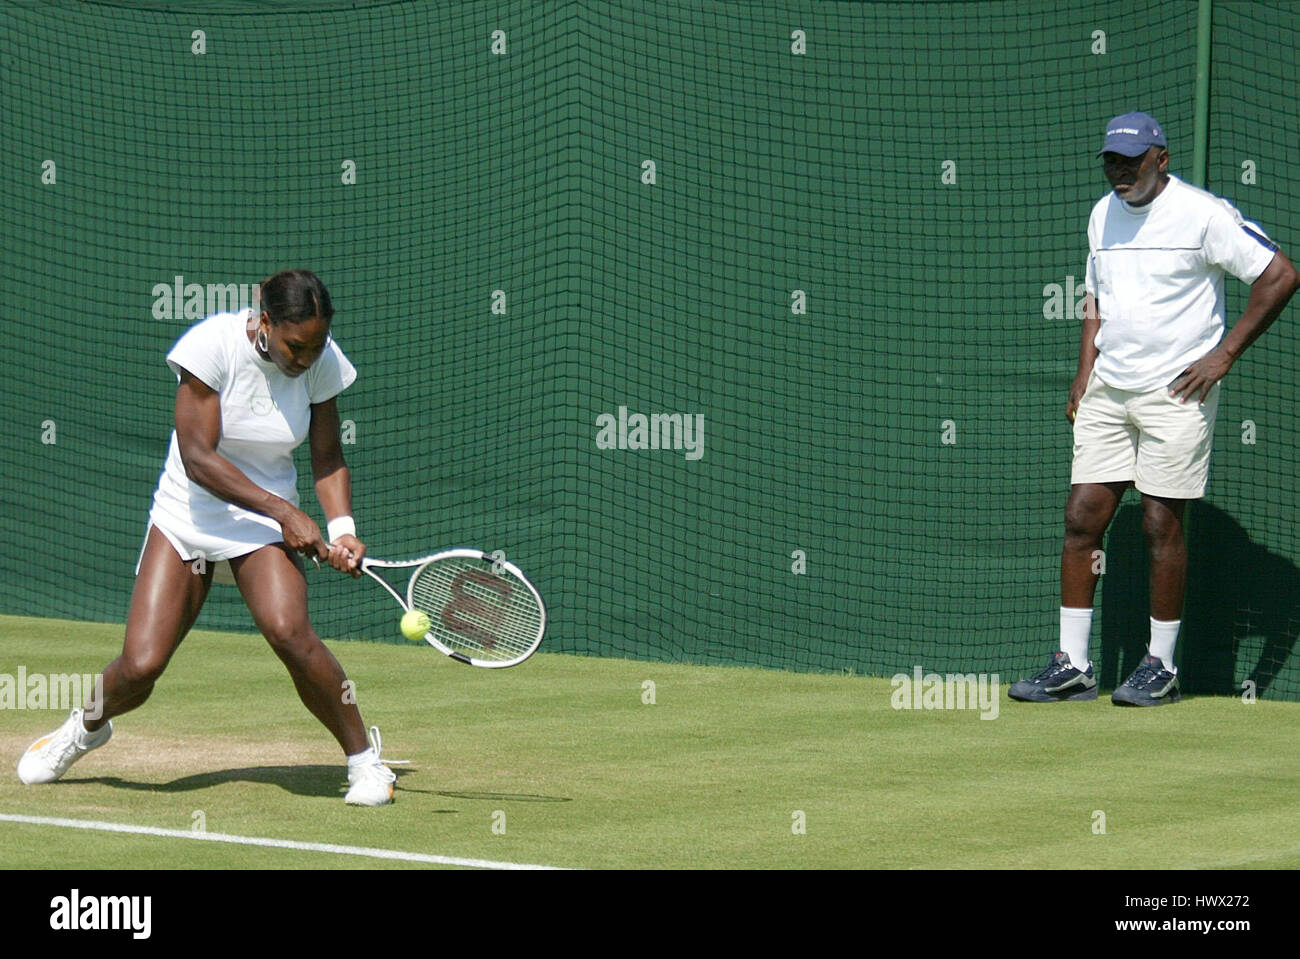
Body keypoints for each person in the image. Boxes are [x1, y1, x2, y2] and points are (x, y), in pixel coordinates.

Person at [17, 269, 398, 803]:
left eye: (316, 345)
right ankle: (83, 728)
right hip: (189, 514)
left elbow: (327, 454)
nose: (306, 358)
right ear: (264, 321)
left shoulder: (322, 360)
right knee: (141, 664)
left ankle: (364, 762)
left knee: (290, 631)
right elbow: (198, 458)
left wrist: (342, 528)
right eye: (295, 345)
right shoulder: (211, 344)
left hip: (261, 524)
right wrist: (285, 511)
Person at [1011, 112, 1300, 706]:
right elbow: (1097, 297)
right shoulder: (1101, 213)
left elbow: (1280, 275)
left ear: (1160, 159)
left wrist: (1223, 356)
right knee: (1082, 517)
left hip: (1177, 393)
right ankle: (1072, 665)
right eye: (1112, 162)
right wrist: (1084, 372)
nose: (1120, 172)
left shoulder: (1204, 215)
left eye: (1132, 161)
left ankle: (1160, 667)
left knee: (1159, 523)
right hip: (1108, 390)